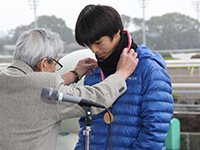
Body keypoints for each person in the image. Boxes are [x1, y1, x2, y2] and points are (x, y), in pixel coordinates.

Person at [0, 28, 138, 150]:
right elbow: (95, 98)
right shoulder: (46, 92)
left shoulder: (4, 79)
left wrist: (74, 74)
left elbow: (33, 83)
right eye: (55, 63)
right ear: (43, 64)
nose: (55, 70)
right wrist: (122, 73)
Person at [74, 4, 174, 150]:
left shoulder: (149, 68)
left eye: (98, 42)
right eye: (88, 44)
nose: (94, 50)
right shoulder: (94, 71)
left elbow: (155, 130)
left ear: (116, 33)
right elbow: (86, 124)